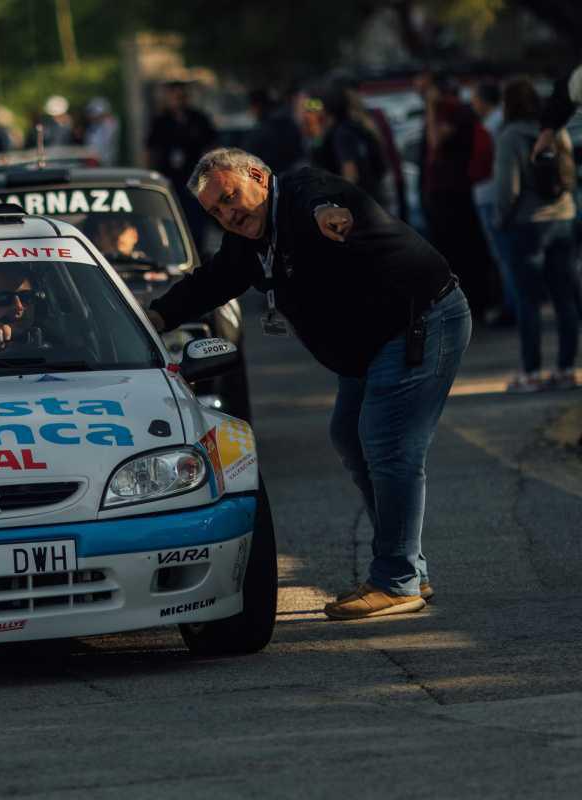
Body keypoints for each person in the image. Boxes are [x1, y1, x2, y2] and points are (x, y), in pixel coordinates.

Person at [146, 147, 470, 620]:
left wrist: (332, 215)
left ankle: (395, 581)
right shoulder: (249, 241)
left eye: (230, 196)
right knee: (350, 438)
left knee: (388, 443)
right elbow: (211, 281)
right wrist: (153, 316)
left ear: (257, 175)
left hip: (420, 323)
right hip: (372, 346)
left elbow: (325, 198)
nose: (228, 214)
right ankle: (409, 571)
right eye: (215, 210)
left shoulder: (301, 195)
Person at [494, 78, 578, 393]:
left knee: (527, 301)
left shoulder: (510, 136)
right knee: (564, 298)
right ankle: (567, 369)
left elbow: (507, 188)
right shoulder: (556, 131)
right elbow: (571, 176)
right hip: (563, 220)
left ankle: (531, 373)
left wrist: (501, 220)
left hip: (527, 225)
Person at [417, 71, 496, 318]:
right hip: (446, 194)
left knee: (460, 252)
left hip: (453, 196)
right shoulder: (454, 111)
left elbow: (436, 141)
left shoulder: (453, 112)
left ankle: (472, 303)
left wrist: (431, 109)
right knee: (456, 251)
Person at [146, 80, 217, 252]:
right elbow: (151, 150)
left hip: (194, 179)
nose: (178, 99)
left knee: (196, 222)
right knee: (173, 219)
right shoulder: (161, 121)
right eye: (174, 95)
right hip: (170, 179)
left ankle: (198, 253)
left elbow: (212, 146)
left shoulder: (199, 119)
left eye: (181, 95)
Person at [470, 81, 517, 328]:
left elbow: (485, 164)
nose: (473, 103)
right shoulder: (498, 123)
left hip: (491, 195)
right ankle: (511, 303)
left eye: (475, 98)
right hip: (491, 193)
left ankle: (513, 305)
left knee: (503, 255)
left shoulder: (492, 125)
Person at [312, 84, 388, 207]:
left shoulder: (341, 134)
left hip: (360, 206)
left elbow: (351, 174)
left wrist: (343, 205)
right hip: (373, 198)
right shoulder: (356, 127)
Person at [243, 88, 304, 175]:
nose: (251, 111)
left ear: (257, 106)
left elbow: (248, 158)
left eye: (251, 107)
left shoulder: (263, 129)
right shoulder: (288, 122)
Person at [83, 97, 120, 166]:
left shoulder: (109, 124)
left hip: (105, 160)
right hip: (93, 159)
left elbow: (105, 142)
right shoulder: (94, 125)